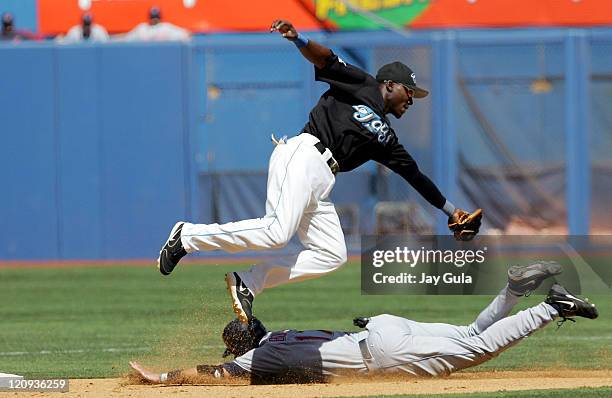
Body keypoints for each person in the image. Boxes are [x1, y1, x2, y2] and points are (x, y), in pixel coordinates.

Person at [156, 19, 482, 324]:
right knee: (276, 233)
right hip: (304, 154)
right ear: (390, 84)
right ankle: (187, 236)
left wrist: (452, 212)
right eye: (410, 91)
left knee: (332, 254)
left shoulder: (386, 138)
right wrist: (299, 39)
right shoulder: (364, 85)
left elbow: (416, 177)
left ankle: (248, 282)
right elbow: (326, 59)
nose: (412, 99)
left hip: (322, 180)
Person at [130, 262, 598, 383]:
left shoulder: (261, 356)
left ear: (242, 347)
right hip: (381, 329)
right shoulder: (279, 337)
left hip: (384, 354)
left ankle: (552, 307)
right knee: (472, 334)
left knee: (478, 350)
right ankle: (514, 290)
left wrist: (162, 377)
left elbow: (212, 375)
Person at [122, 6, 190, 42]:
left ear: (159, 18)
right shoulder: (142, 29)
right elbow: (126, 38)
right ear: (150, 18)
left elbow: (186, 34)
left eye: (156, 17)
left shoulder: (165, 28)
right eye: (153, 17)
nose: (154, 19)